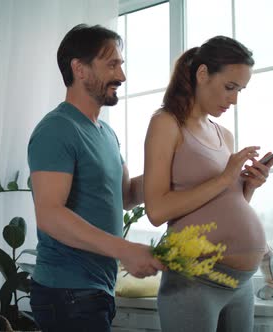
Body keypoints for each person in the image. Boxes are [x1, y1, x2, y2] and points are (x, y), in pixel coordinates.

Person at [27, 24, 164, 332]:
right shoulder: (57, 129)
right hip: (67, 293)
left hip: (94, 291)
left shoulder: (106, 134)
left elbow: (126, 195)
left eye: (121, 65)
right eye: (112, 64)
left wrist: (177, 176)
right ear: (80, 69)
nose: (122, 76)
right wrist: (125, 249)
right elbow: (49, 214)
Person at [143, 36, 273, 332]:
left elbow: (222, 206)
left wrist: (248, 187)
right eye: (230, 87)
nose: (234, 99)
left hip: (240, 285)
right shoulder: (166, 123)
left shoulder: (224, 134)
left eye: (240, 90)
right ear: (202, 74)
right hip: (195, 280)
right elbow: (156, 211)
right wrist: (224, 178)